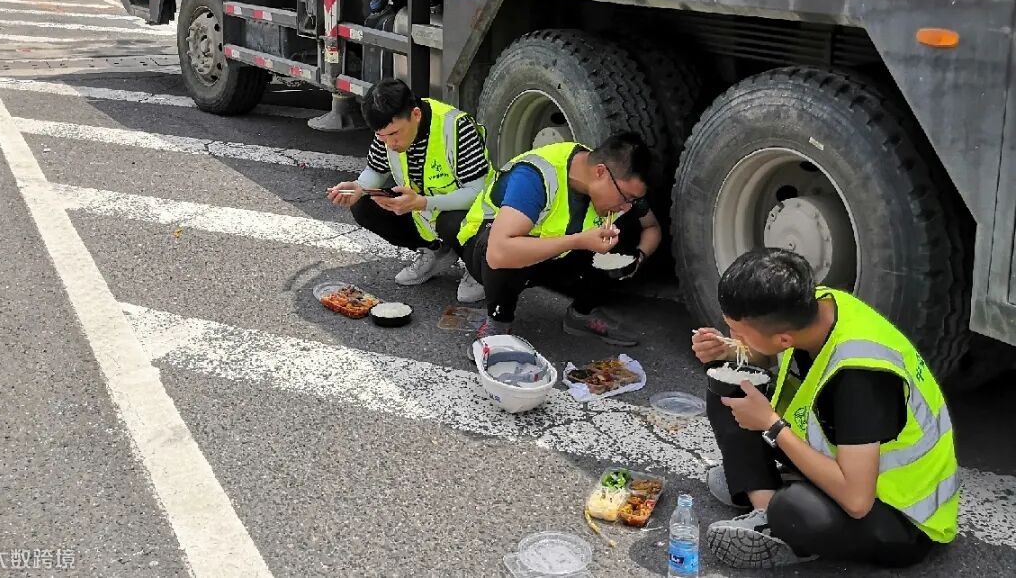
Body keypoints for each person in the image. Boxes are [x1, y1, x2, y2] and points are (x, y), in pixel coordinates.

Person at [693, 248, 959, 570]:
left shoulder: (859, 378)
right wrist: (727, 353)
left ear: (783, 339)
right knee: (729, 385)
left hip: (899, 516)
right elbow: (767, 354)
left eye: (738, 332)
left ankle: (779, 513)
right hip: (843, 458)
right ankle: (764, 510)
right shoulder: (814, 303)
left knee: (794, 509)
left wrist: (771, 425)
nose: (733, 336)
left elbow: (858, 502)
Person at [455, 132, 662, 349]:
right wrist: (578, 241)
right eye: (626, 197)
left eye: (633, 200)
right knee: (508, 246)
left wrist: (638, 257)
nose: (626, 206)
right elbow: (499, 253)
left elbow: (652, 228)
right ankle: (498, 323)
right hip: (486, 254)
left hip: (551, 257)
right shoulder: (536, 176)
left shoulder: (616, 184)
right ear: (600, 172)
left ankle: (582, 313)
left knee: (623, 236)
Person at [327, 79, 491, 302]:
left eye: (395, 134)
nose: (390, 143)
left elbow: (476, 192)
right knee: (363, 204)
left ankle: (476, 266)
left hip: (473, 214)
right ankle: (436, 252)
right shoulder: (387, 130)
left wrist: (423, 203)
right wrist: (358, 187)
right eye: (382, 137)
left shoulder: (457, 127)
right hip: (423, 209)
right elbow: (376, 170)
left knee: (450, 222)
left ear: (416, 114)